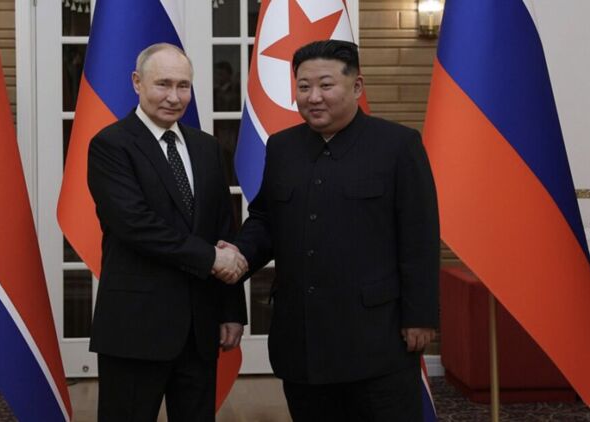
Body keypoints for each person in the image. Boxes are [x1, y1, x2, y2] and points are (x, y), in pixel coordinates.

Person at [226, 40, 440, 421]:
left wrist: (420, 316)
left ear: (356, 86)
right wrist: (238, 255)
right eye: (303, 86)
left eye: (326, 85)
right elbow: (265, 220)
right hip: (303, 341)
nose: (313, 97)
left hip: (377, 340)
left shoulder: (397, 146)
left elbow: (419, 237)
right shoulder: (282, 147)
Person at [87, 43, 248, 422]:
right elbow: (136, 225)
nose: (174, 97)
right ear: (137, 82)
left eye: (183, 86)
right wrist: (211, 259)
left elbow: (223, 229)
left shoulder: (207, 147)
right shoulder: (110, 145)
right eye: (163, 84)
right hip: (135, 327)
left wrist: (232, 310)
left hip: (199, 328)